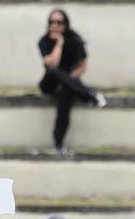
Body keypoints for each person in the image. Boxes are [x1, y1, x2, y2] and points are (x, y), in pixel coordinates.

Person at [37, 9, 107, 154]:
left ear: (66, 24)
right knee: (55, 71)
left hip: (70, 82)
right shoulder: (44, 41)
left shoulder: (75, 39)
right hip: (49, 82)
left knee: (66, 93)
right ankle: (89, 95)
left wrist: (69, 81)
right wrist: (59, 44)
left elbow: (82, 67)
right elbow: (51, 64)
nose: (55, 25)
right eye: (52, 22)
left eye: (59, 22)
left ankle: (58, 144)